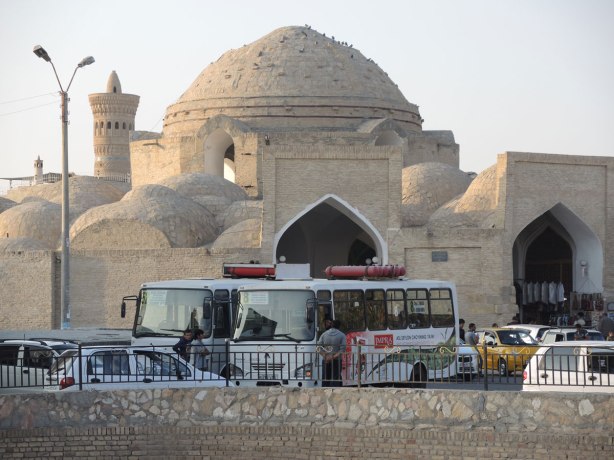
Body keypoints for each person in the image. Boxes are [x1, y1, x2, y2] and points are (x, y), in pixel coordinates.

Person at [317, 319, 346, 387]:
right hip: (337, 360)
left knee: (325, 378)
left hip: (326, 360)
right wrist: (332, 357)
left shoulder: (324, 334)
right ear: (339, 326)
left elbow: (318, 348)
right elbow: (342, 350)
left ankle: (325, 394)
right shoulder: (342, 335)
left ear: (331, 325)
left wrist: (325, 356)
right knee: (336, 378)